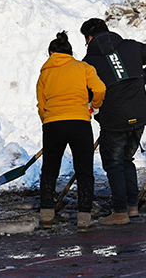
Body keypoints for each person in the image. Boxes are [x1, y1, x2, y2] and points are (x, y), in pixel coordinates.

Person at [80, 18, 146, 225]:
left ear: (89, 38)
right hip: (140, 114)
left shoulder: (89, 62)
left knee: (114, 164)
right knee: (127, 160)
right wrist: (140, 79)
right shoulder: (130, 45)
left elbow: (89, 90)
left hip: (114, 118)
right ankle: (131, 206)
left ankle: (119, 211)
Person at [36, 31, 106, 232]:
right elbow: (100, 88)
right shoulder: (83, 67)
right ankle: (84, 217)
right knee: (84, 171)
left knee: (49, 170)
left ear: (51, 52)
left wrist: (48, 121)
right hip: (79, 123)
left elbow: (41, 105)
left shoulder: (44, 73)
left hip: (53, 125)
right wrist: (94, 105)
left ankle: (47, 215)